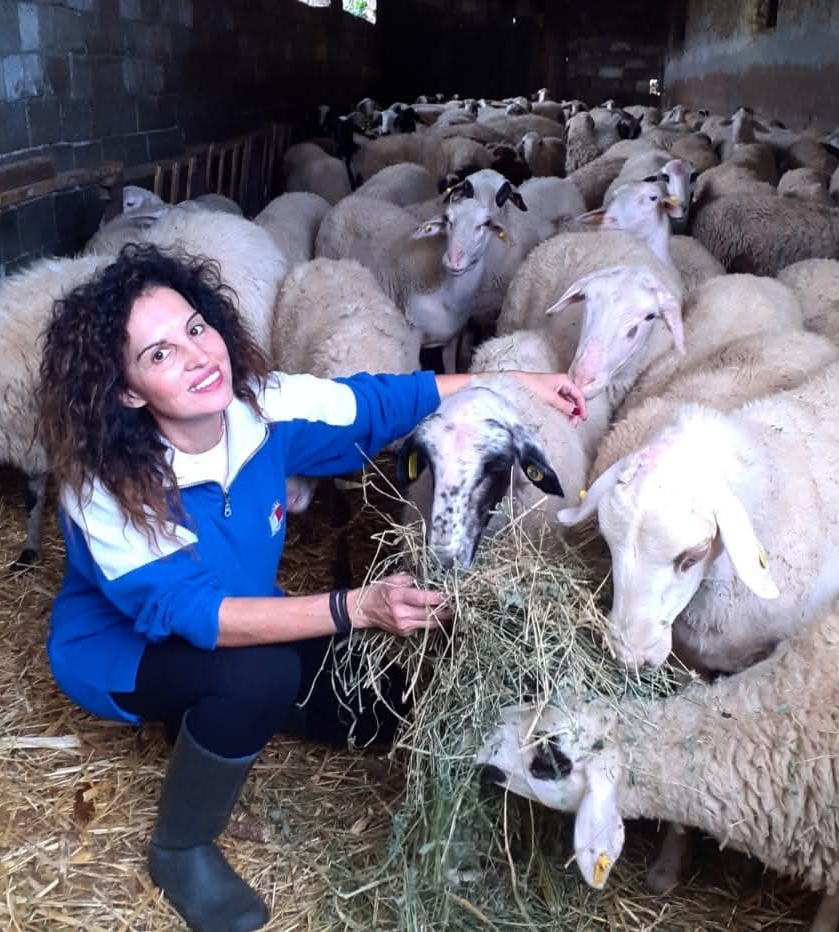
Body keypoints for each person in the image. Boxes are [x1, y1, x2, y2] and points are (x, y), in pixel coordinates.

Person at [35, 244, 587, 932]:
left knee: (381, 703)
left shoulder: (260, 408)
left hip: (239, 620)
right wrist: (355, 606)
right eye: (159, 355)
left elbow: (378, 404)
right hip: (123, 654)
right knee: (257, 675)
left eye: (196, 329)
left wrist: (512, 386)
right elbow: (194, 614)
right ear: (126, 391)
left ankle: (209, 716)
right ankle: (182, 848)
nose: (198, 355)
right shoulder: (104, 485)